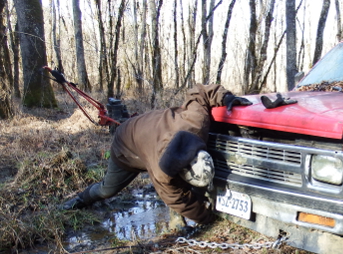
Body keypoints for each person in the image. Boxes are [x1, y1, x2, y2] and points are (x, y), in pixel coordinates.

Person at [63, 84, 252, 225]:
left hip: (151, 129)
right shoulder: (161, 172)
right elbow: (180, 201)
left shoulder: (194, 123)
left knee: (176, 184)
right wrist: (211, 220)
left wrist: (226, 97)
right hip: (126, 145)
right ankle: (79, 200)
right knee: (107, 189)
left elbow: (200, 93)